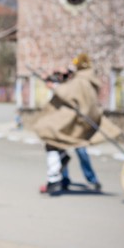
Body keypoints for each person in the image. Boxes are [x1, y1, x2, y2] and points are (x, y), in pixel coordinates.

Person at [34, 54, 108, 195]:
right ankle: (63, 179)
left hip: (78, 121)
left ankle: (85, 180)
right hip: (75, 120)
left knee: (75, 149)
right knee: (59, 144)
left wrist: (55, 85)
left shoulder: (81, 80)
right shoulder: (83, 79)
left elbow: (68, 92)